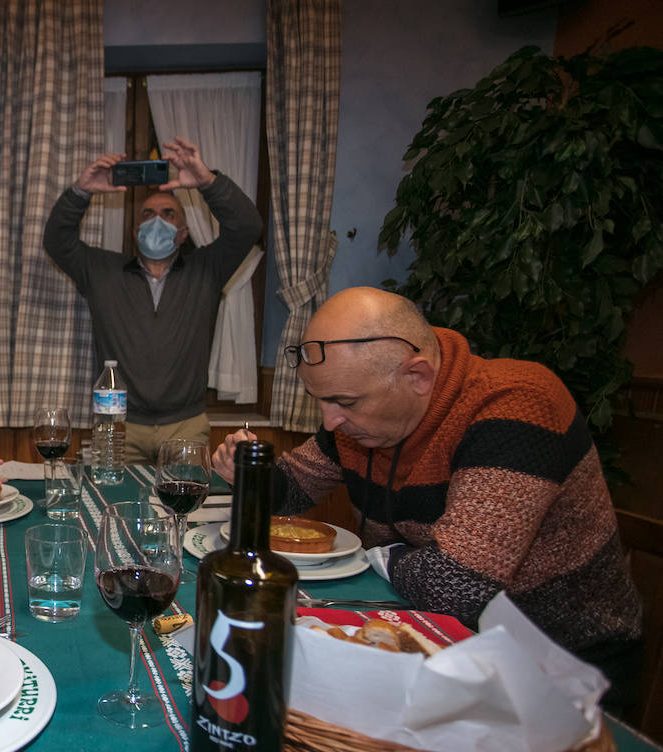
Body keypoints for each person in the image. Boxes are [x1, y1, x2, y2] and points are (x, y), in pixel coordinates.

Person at [212, 286, 643, 709]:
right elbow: (291, 491)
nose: (331, 420)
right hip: (446, 640)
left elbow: (453, 585)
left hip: (564, 667)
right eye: (321, 400)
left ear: (417, 376)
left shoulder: (516, 404)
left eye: (344, 401)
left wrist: (379, 556)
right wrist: (250, 476)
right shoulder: (360, 419)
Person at [43, 136, 263, 463]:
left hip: (185, 426)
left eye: (168, 214)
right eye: (147, 214)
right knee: (112, 508)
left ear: (184, 231)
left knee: (185, 512)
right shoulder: (102, 271)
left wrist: (206, 181)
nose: (157, 220)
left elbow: (247, 227)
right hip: (118, 426)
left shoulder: (207, 269)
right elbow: (57, 241)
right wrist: (81, 191)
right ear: (136, 231)